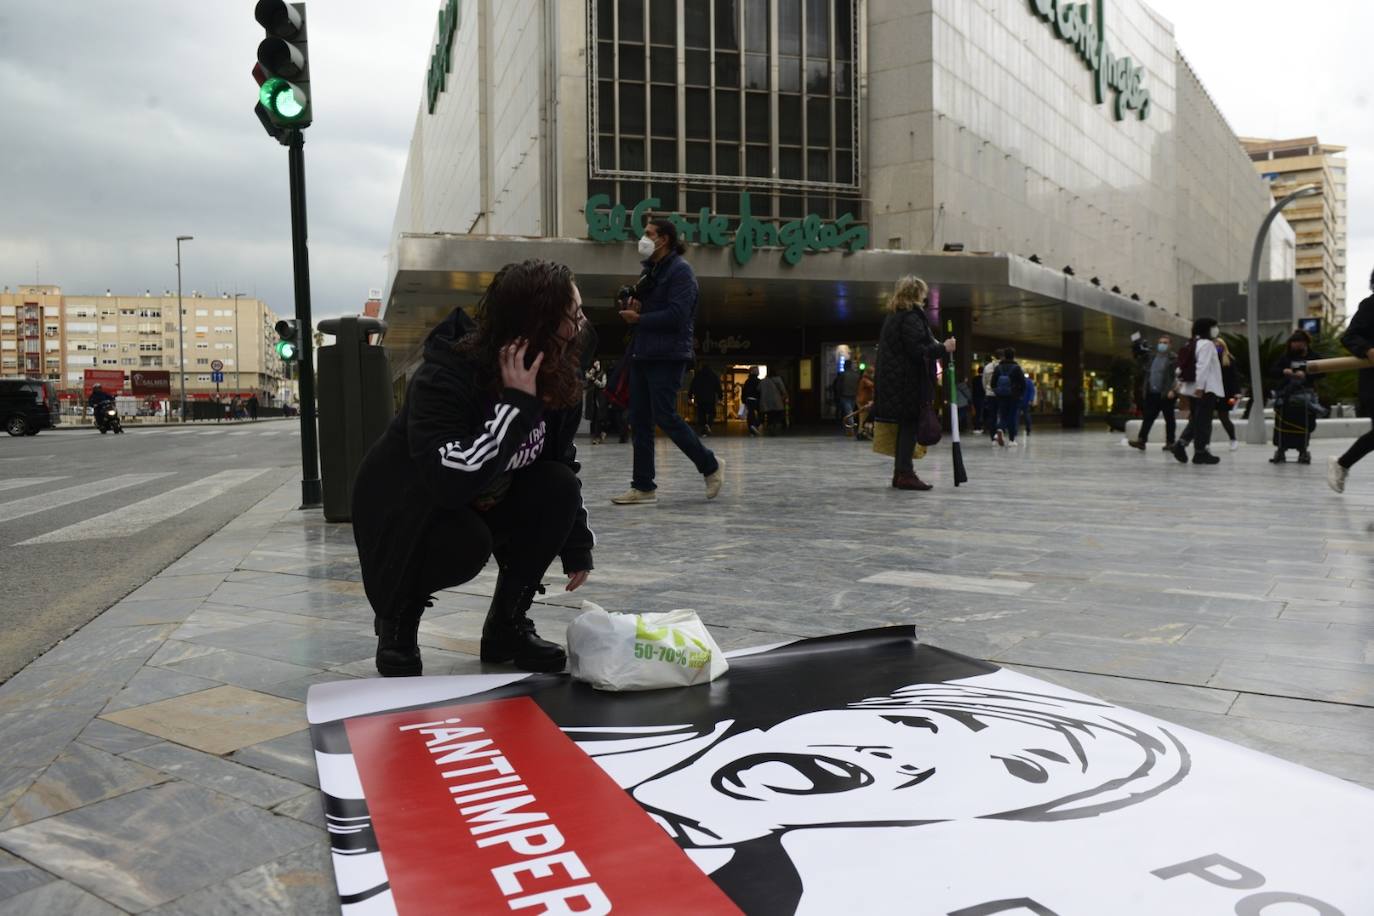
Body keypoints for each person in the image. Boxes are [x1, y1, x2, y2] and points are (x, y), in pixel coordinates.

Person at [351, 259, 595, 677]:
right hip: (409, 508)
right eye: (573, 316)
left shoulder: (556, 377)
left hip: (483, 496)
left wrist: (575, 544)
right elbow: (450, 479)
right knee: (465, 540)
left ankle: (507, 626)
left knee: (557, 488)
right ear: (538, 325)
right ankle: (398, 619)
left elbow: (559, 461)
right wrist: (515, 405)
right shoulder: (448, 373)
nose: (580, 326)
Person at [613, 218, 724, 506]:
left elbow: (678, 316)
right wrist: (635, 308)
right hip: (643, 351)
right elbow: (653, 311)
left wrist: (640, 318)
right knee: (639, 420)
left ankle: (710, 466)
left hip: (668, 354)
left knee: (665, 415)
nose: (643, 238)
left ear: (664, 239)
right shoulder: (650, 272)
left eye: (648, 234)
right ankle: (643, 486)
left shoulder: (680, 272)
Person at [873, 275, 957, 490]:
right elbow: (917, 351)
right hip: (906, 382)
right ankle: (905, 473)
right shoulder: (910, 316)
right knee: (909, 426)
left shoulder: (895, 315)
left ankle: (901, 472)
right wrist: (943, 347)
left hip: (896, 382)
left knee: (906, 426)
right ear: (917, 293)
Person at [1330, 270, 1374, 492]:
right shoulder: (1370, 305)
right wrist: (1367, 349)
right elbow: (1350, 336)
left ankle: (1342, 463)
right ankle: (1342, 463)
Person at [1170, 317, 1223, 465]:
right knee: (1204, 421)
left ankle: (1181, 444)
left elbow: (1181, 366)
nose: (1216, 330)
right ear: (1207, 329)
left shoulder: (1192, 343)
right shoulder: (1206, 344)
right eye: (1214, 327)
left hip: (1192, 388)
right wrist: (1201, 387)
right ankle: (1200, 452)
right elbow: (1202, 366)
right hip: (1205, 388)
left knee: (1197, 419)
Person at [1268, 329, 1322, 464]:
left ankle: (1303, 451)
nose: (1296, 346)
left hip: (1305, 396)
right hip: (1286, 396)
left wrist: (1307, 375)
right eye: (1294, 343)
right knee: (1282, 424)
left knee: (1304, 423)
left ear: (1306, 344)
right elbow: (1272, 371)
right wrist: (1283, 371)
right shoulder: (1285, 357)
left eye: (1299, 343)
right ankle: (1281, 450)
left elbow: (1323, 372)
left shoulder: (1314, 356)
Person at [1130, 335, 1178, 450]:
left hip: (1166, 394)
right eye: (1160, 342)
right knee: (1148, 417)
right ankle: (1141, 440)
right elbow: (1142, 364)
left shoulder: (1174, 359)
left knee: (1169, 419)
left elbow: (1178, 376)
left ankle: (1170, 442)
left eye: (1165, 343)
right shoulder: (1152, 357)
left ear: (1170, 345)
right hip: (1152, 393)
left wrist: (1173, 390)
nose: (1162, 345)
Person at [990, 348, 1027, 447]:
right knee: (1012, 416)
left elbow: (992, 383)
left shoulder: (998, 368)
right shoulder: (1017, 368)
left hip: (1001, 396)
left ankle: (1000, 429)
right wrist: (1020, 394)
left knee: (1003, 415)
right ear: (1013, 356)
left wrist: (998, 393)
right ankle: (1011, 440)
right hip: (1014, 396)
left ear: (1004, 355)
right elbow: (1023, 384)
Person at [1215, 338, 1240, 452]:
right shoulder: (1209, 359)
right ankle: (1204, 442)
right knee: (1205, 418)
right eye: (1215, 344)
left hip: (1225, 393)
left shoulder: (1229, 359)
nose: (1217, 346)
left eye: (1219, 345)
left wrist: (1236, 393)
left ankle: (1233, 439)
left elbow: (1234, 377)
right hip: (1211, 391)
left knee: (1224, 417)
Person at [688, 362, 721, 436]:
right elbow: (718, 387)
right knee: (712, 413)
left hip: (700, 398)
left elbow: (692, 386)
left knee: (701, 414)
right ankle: (708, 425)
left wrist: (690, 396)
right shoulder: (713, 375)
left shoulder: (698, 376)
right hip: (710, 398)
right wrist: (720, 397)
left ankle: (704, 429)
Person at [583, 359, 608, 443]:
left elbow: (603, 384)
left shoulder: (603, 373)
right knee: (593, 417)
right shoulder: (590, 371)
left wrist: (594, 379)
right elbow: (587, 379)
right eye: (595, 364)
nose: (597, 365)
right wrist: (592, 372)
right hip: (591, 398)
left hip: (599, 398)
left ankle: (598, 435)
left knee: (599, 417)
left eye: (598, 364)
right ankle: (597, 435)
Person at [760, 370, 788, 435]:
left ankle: (770, 426)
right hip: (776, 400)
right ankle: (776, 427)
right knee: (776, 414)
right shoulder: (778, 380)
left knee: (770, 414)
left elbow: (758, 389)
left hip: (766, 401)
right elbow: (782, 389)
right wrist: (785, 395)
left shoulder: (763, 381)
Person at [834, 362, 860, 433]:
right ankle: (849, 429)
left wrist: (838, 395)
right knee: (850, 411)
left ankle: (851, 429)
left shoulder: (843, 374)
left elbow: (838, 386)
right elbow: (859, 386)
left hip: (845, 395)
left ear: (845, 366)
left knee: (848, 413)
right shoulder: (856, 375)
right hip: (854, 395)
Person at [981, 355, 1001, 441]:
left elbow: (984, 381)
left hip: (990, 394)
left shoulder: (987, 367)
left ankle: (993, 436)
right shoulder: (1002, 366)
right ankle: (1000, 432)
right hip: (1001, 394)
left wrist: (987, 390)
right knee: (1001, 414)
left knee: (992, 415)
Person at [855, 366, 875, 441]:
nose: (873, 374)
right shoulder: (865, 380)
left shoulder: (865, 379)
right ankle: (860, 433)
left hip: (865, 401)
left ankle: (863, 432)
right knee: (863, 418)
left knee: (864, 418)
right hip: (863, 401)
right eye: (872, 373)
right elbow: (872, 385)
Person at [741, 366, 762, 436]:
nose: (758, 372)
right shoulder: (759, 381)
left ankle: (751, 427)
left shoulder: (747, 381)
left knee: (750, 413)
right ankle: (755, 424)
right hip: (756, 399)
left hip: (748, 399)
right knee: (760, 413)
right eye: (757, 370)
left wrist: (743, 400)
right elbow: (760, 391)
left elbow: (744, 391)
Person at [1019, 372, 1035, 437]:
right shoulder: (1029, 381)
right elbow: (1032, 391)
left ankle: (1014, 430)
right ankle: (1028, 429)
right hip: (1026, 401)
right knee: (1027, 415)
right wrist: (1031, 400)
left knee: (1016, 415)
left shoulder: (1018, 381)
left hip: (1019, 401)